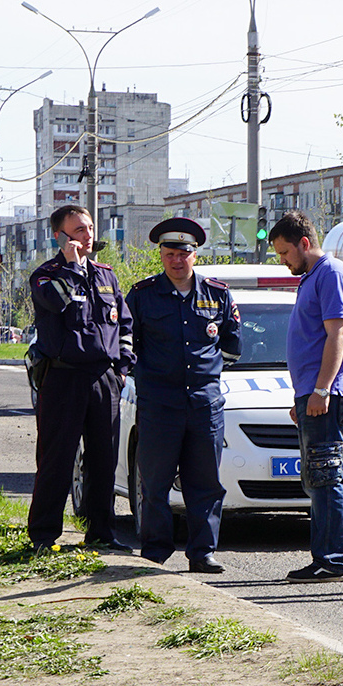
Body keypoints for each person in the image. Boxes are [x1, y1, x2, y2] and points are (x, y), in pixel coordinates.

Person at [125, 217, 241, 573]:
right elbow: (130, 346)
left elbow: (232, 346)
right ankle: (156, 552)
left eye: (184, 253)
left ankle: (202, 553)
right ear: (161, 254)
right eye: (170, 253)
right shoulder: (142, 295)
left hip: (204, 405)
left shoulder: (217, 294)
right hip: (159, 405)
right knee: (156, 483)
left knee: (205, 483)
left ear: (195, 255)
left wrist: (202, 374)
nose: (177, 260)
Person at [27, 204, 134, 553]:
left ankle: (101, 532)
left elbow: (125, 326)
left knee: (104, 460)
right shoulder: (46, 275)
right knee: (57, 458)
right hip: (62, 378)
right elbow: (54, 303)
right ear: (61, 237)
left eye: (89, 228)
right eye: (79, 231)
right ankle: (44, 535)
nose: (89, 236)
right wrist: (72, 268)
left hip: (103, 378)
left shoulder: (106, 275)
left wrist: (121, 369)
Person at [270, 212, 343, 582]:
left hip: (331, 393)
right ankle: (325, 556)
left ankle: (334, 559)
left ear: (304, 244)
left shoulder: (332, 273)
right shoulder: (312, 277)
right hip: (314, 394)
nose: (283, 260)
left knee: (326, 478)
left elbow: (338, 334)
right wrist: (304, 396)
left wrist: (322, 389)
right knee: (317, 479)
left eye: (285, 253)